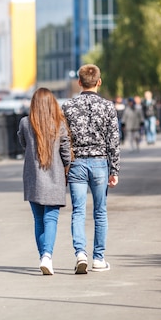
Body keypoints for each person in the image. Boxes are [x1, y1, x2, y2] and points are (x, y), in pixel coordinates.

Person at [62, 64, 120, 274]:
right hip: (99, 163)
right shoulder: (107, 107)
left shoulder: (68, 107)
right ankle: (98, 258)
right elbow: (113, 140)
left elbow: (64, 138)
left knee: (78, 211)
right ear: (99, 82)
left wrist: (65, 165)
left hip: (76, 162)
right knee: (100, 211)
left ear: (79, 83)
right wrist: (114, 170)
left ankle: (80, 254)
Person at [18, 88, 72, 276]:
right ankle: (47, 256)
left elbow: (23, 144)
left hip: (33, 178)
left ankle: (44, 257)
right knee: (51, 219)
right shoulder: (59, 124)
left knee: (39, 220)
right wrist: (67, 168)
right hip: (54, 177)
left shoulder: (25, 123)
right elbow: (65, 151)